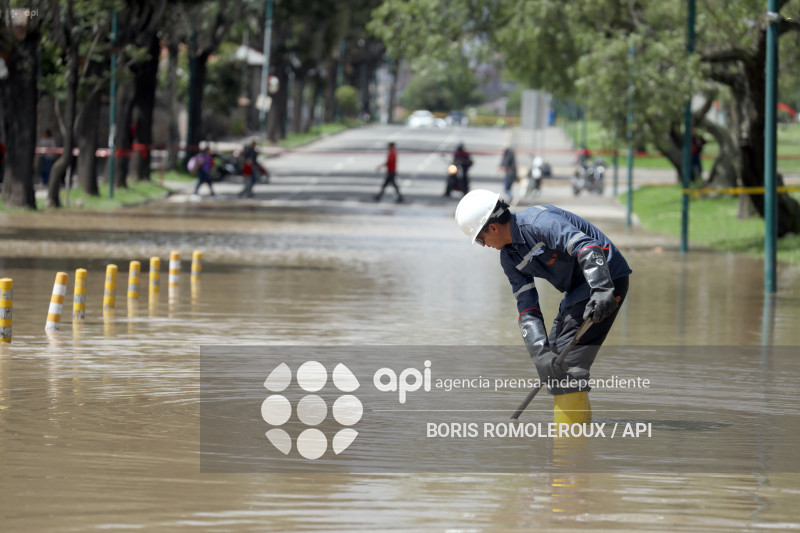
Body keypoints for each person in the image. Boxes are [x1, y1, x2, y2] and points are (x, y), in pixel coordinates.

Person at [455, 190, 632, 424]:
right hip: (577, 290)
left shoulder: (539, 222)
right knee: (554, 362)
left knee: (568, 367)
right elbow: (527, 309)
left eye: (480, 238)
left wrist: (601, 289)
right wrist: (540, 354)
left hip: (606, 277)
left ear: (493, 228)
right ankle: (577, 436)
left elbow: (586, 247)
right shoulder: (509, 258)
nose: (483, 245)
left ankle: (570, 448)